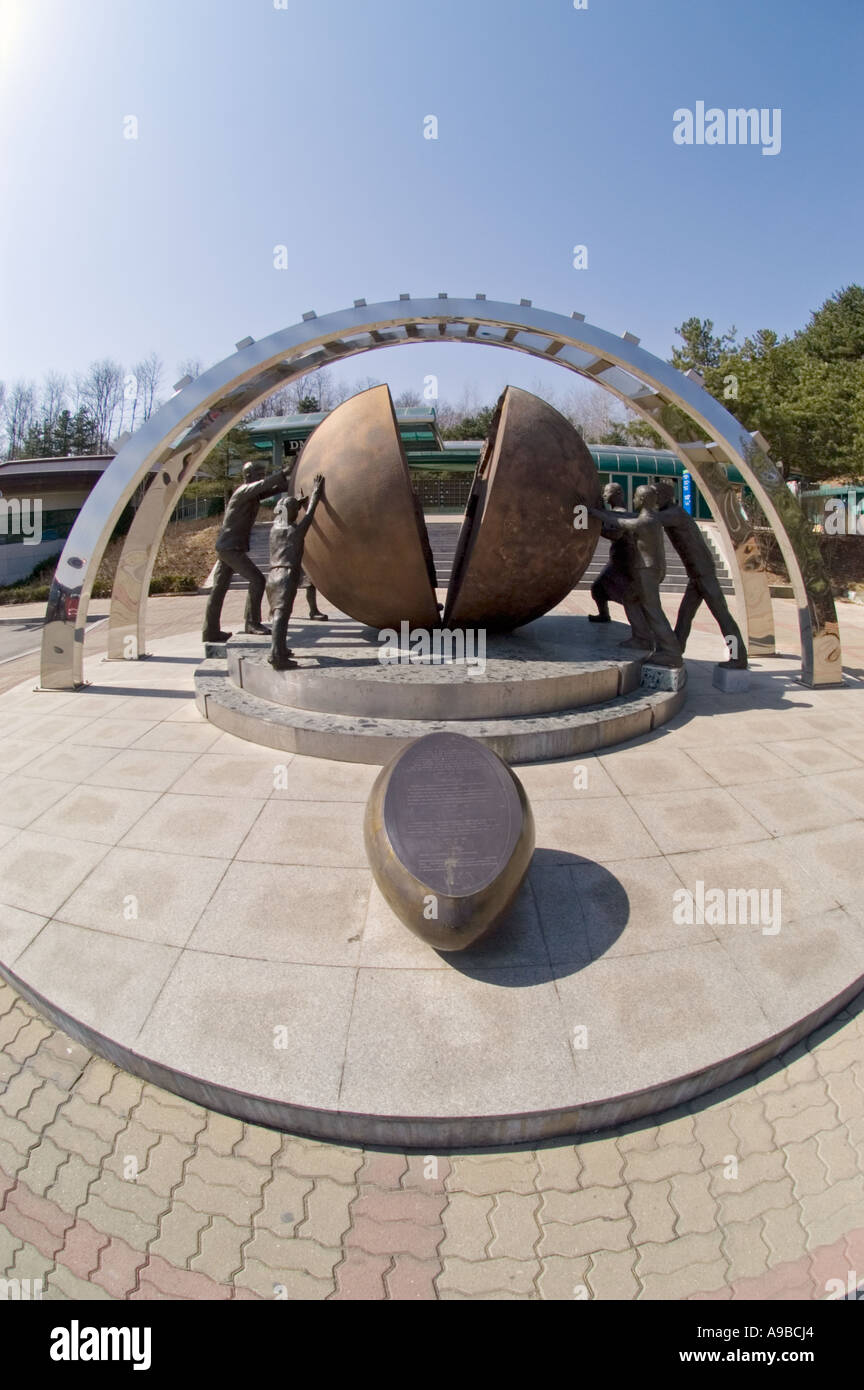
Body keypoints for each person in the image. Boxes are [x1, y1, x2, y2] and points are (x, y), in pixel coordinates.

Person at [653, 481, 747, 667]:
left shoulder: (674, 514)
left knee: (722, 616)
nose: (652, 499)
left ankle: (738, 657)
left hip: (703, 573)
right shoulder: (673, 512)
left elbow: (646, 520)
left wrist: (603, 514)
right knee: (685, 614)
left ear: (664, 496)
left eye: (654, 495)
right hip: (696, 574)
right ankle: (676, 649)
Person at [590, 485, 683, 667]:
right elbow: (621, 518)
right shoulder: (652, 518)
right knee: (631, 598)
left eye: (636, 497)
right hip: (652, 569)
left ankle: (671, 651)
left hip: (647, 570)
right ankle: (642, 637)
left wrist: (593, 512)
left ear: (641, 500)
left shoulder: (645, 521)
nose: (633, 500)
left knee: (653, 610)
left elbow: (620, 522)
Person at [202, 460, 293, 643]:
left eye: (263, 474)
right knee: (258, 580)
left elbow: (273, 488)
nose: (262, 477)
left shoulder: (252, 495)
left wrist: (294, 480)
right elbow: (265, 485)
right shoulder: (243, 491)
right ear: (249, 476)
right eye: (259, 474)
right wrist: (284, 472)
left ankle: (210, 631)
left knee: (218, 591)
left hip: (229, 547)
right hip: (230, 548)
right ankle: (251, 622)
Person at [267, 474, 325, 670]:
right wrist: (315, 495)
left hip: (273, 575)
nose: (298, 512)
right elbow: (309, 516)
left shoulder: (275, 528)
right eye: (296, 509)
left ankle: (281, 649)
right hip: (286, 575)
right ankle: (276, 654)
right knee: (281, 616)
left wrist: (298, 500)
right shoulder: (294, 531)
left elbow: (287, 511)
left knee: (279, 614)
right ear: (291, 512)